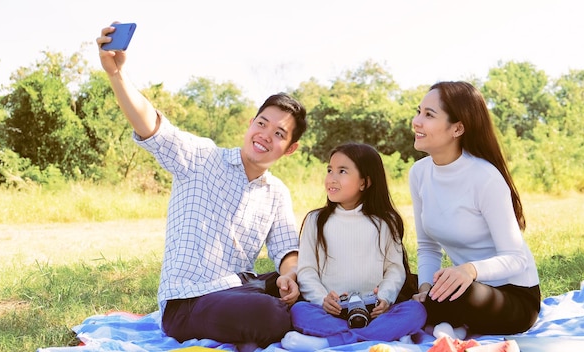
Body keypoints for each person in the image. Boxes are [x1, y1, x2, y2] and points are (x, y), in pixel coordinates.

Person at [96, 23, 308, 351]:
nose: (265, 135)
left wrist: (290, 277)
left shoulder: (275, 192)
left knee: (313, 281)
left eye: (279, 133)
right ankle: (295, 324)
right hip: (189, 301)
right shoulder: (201, 157)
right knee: (271, 315)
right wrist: (116, 75)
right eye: (262, 124)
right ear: (250, 124)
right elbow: (151, 125)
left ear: (290, 148)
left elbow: (286, 251)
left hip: (241, 288)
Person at [409, 81, 540, 338]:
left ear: (457, 128)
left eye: (428, 115)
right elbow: (427, 247)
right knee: (400, 281)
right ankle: (440, 316)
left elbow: (516, 258)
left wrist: (469, 270)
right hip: (462, 287)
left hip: (510, 296)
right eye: (418, 111)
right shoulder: (419, 174)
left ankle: (441, 319)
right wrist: (425, 286)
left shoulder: (485, 177)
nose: (417, 121)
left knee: (453, 295)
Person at [281, 143, 426, 351]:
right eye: (329, 170)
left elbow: (394, 268)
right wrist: (322, 299)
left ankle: (330, 341)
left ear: (364, 182)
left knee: (415, 311)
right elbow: (307, 270)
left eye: (342, 171)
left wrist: (385, 297)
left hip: (373, 311)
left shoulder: (386, 222)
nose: (331, 178)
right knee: (300, 311)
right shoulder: (316, 220)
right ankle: (378, 337)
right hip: (332, 311)